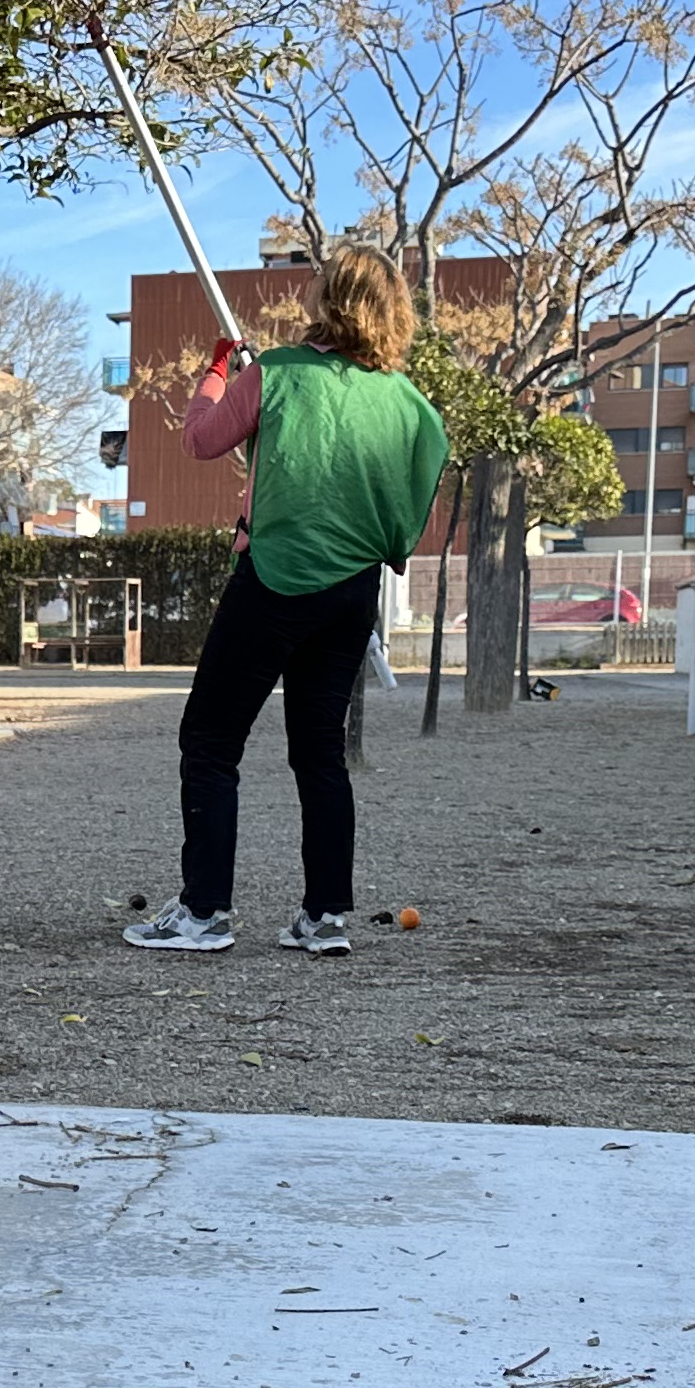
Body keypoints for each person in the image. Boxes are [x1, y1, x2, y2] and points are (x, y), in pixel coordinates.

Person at [123, 245, 447, 956]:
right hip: (355, 587)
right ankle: (325, 916)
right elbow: (421, 481)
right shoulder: (409, 403)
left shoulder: (276, 375)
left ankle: (205, 912)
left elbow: (203, 441)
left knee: (210, 741)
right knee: (319, 752)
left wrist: (217, 371)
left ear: (328, 299)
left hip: (274, 578)